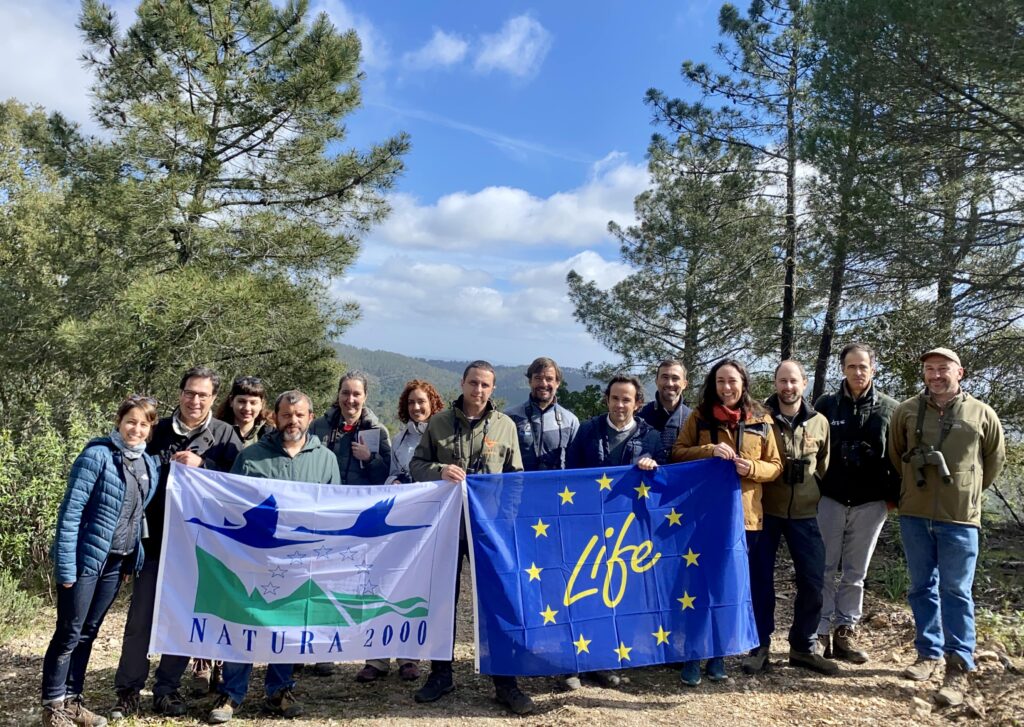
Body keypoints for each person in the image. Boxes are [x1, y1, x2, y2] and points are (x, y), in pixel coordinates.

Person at [112, 367, 242, 720]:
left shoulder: (226, 436)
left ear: (214, 398)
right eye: (189, 392)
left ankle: (166, 690)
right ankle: (128, 691)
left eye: (203, 395)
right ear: (180, 393)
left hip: (202, 547)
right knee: (141, 618)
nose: (195, 400)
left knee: (183, 620)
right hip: (155, 541)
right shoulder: (157, 431)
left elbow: (243, 485)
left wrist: (205, 464)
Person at [208, 390, 341, 724]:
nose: (292, 421)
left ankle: (279, 690)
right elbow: (232, 504)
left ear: (311, 417)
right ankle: (231, 692)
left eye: (299, 415)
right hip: (255, 559)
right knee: (245, 621)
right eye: (286, 415)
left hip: (300, 563)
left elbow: (335, 510)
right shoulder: (252, 456)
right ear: (275, 417)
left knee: (288, 624)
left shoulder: (326, 459)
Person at [409, 361, 533, 715]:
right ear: (462, 383)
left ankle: (505, 681)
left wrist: (504, 523)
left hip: (488, 531)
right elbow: (417, 466)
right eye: (473, 383)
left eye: (485, 385)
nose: (478, 390)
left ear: (493, 389)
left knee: (496, 604)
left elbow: (516, 479)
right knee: (443, 602)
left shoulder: (506, 426)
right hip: (446, 528)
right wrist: (439, 470)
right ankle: (441, 674)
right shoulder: (438, 423)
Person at [889, 348, 1005, 708]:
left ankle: (959, 667)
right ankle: (928, 654)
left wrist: (966, 493)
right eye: (929, 369)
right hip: (915, 513)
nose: (936, 375)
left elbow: (993, 461)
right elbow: (896, 454)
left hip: (960, 518)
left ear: (960, 372)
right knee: (921, 586)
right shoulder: (906, 410)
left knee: (956, 591)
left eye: (943, 369)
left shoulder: (981, 413)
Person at [41, 396, 160, 727]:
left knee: (89, 632)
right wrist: (65, 567)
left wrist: (129, 560)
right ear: (119, 422)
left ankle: (73, 701)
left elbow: (137, 516)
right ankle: (53, 706)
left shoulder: (147, 465)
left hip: (115, 563)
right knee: (69, 632)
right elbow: (70, 514)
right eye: (130, 421)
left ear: (150, 429)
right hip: (84, 561)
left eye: (143, 424)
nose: (136, 429)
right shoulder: (96, 456)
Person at [671, 358, 782, 687]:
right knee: (698, 585)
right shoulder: (700, 416)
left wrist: (752, 469)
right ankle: (693, 654)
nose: (727, 387)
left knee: (728, 587)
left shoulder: (762, 418)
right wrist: (707, 450)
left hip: (746, 519)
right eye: (721, 381)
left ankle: (718, 654)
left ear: (743, 383)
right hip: (704, 516)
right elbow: (677, 452)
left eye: (732, 381)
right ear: (713, 384)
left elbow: (775, 465)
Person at [563, 373, 660, 690]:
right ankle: (575, 662)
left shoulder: (652, 438)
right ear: (607, 399)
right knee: (582, 591)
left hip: (627, 531)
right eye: (615, 398)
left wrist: (651, 465)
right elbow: (571, 478)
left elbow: (663, 481)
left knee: (617, 593)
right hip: (589, 526)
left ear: (638, 403)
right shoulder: (588, 431)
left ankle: (605, 660)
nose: (620, 404)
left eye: (627, 399)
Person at [744, 361, 837, 676]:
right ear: (775, 382)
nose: (788, 387)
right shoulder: (758, 419)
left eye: (793, 381)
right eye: (782, 381)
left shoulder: (820, 422)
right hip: (766, 512)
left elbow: (824, 466)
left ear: (805, 383)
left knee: (813, 582)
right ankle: (760, 646)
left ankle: (802, 647)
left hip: (806, 515)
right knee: (760, 583)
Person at [813, 343, 899, 664]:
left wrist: (891, 498)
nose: (858, 372)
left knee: (855, 572)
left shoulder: (889, 408)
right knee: (823, 567)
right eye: (852, 366)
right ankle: (820, 631)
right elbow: (813, 449)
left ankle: (846, 631)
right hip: (830, 498)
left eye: (864, 367)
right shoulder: (826, 405)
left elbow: (899, 455)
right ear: (843, 369)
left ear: (873, 369)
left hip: (870, 502)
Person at [358, 379, 445, 684]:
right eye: (411, 403)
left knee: (415, 587)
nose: (417, 407)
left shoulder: (443, 435)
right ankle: (377, 658)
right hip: (399, 520)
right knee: (386, 581)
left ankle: (409, 657)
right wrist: (393, 481)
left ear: (433, 403)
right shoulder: (398, 439)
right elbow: (394, 471)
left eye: (422, 401)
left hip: (429, 523)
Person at [308, 371, 393, 677]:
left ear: (365, 397)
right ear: (338, 394)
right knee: (321, 582)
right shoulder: (319, 426)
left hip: (359, 522)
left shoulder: (377, 431)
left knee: (362, 584)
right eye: (346, 393)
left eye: (356, 394)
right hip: (325, 517)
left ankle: (372, 655)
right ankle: (322, 650)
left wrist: (370, 459)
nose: (350, 399)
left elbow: (385, 476)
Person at [504, 356, 579, 472]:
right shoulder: (510, 417)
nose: (543, 384)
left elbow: (576, 463)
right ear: (530, 381)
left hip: (557, 488)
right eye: (538, 378)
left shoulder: (570, 421)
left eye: (549, 379)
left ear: (557, 383)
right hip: (519, 487)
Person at [638, 358, 692, 452]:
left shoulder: (693, 419)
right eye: (665, 377)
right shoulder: (641, 416)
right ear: (656, 381)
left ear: (684, 384)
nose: (669, 383)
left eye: (675, 378)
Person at [215, 376, 273, 448]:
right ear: (231, 401)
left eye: (253, 403)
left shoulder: (272, 435)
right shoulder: (215, 432)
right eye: (241, 401)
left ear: (262, 404)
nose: (247, 408)